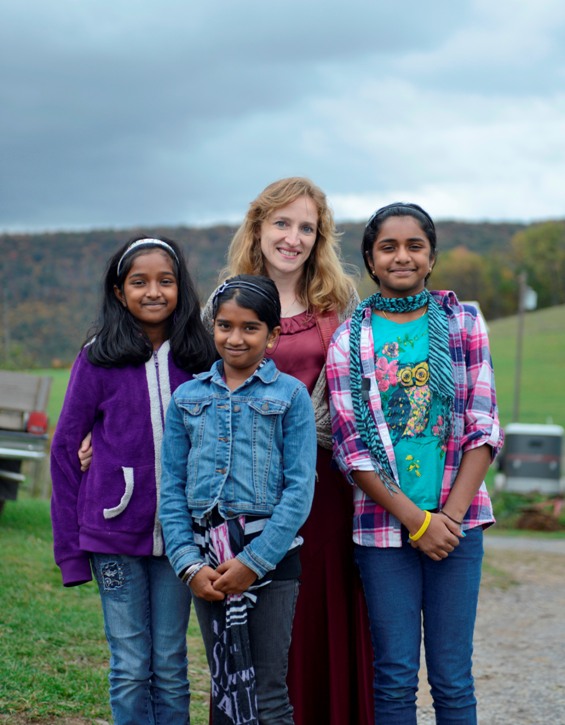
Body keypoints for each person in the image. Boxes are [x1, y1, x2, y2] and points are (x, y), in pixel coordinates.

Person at [202, 177, 374, 724]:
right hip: (241, 488)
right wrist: (100, 430)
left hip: (320, 487)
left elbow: (365, 393)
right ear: (258, 226)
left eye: (306, 227)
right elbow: (192, 385)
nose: (293, 237)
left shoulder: (337, 306)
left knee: (315, 613)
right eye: (282, 223)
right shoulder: (227, 301)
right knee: (251, 627)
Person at [326, 202, 504, 724]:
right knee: (396, 675)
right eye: (388, 247)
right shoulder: (348, 341)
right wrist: (416, 520)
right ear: (370, 260)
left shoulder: (463, 322)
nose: (401, 256)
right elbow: (351, 448)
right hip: (384, 528)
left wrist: (446, 518)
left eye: (414, 246)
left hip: (459, 523)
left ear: (431, 258)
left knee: (452, 676)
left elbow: (482, 422)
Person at [50, 236, 216, 725]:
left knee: (169, 663)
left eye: (166, 281)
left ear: (181, 288)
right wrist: (70, 550)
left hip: (182, 539)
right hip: (113, 536)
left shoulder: (200, 356)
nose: (153, 291)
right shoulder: (98, 357)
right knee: (129, 665)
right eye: (138, 282)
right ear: (119, 292)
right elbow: (65, 449)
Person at [159, 275, 317, 724]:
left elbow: (299, 489)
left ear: (273, 334)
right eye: (225, 326)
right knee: (225, 687)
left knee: (266, 693)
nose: (235, 337)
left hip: (271, 561)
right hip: (208, 564)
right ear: (213, 328)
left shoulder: (290, 397)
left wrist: (254, 561)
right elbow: (171, 490)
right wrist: (189, 565)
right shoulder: (187, 398)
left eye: (250, 327)